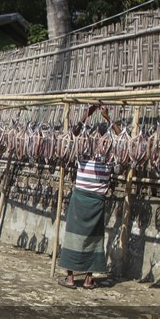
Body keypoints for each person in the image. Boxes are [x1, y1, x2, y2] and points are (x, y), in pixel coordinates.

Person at [58, 105, 114, 289]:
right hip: (88, 198)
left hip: (88, 199)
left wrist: (107, 117)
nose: (98, 138)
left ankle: (79, 278)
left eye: (101, 135)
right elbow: (74, 133)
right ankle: (79, 278)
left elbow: (122, 139)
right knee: (87, 238)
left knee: (89, 239)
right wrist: (87, 115)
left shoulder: (110, 153)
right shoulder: (84, 149)